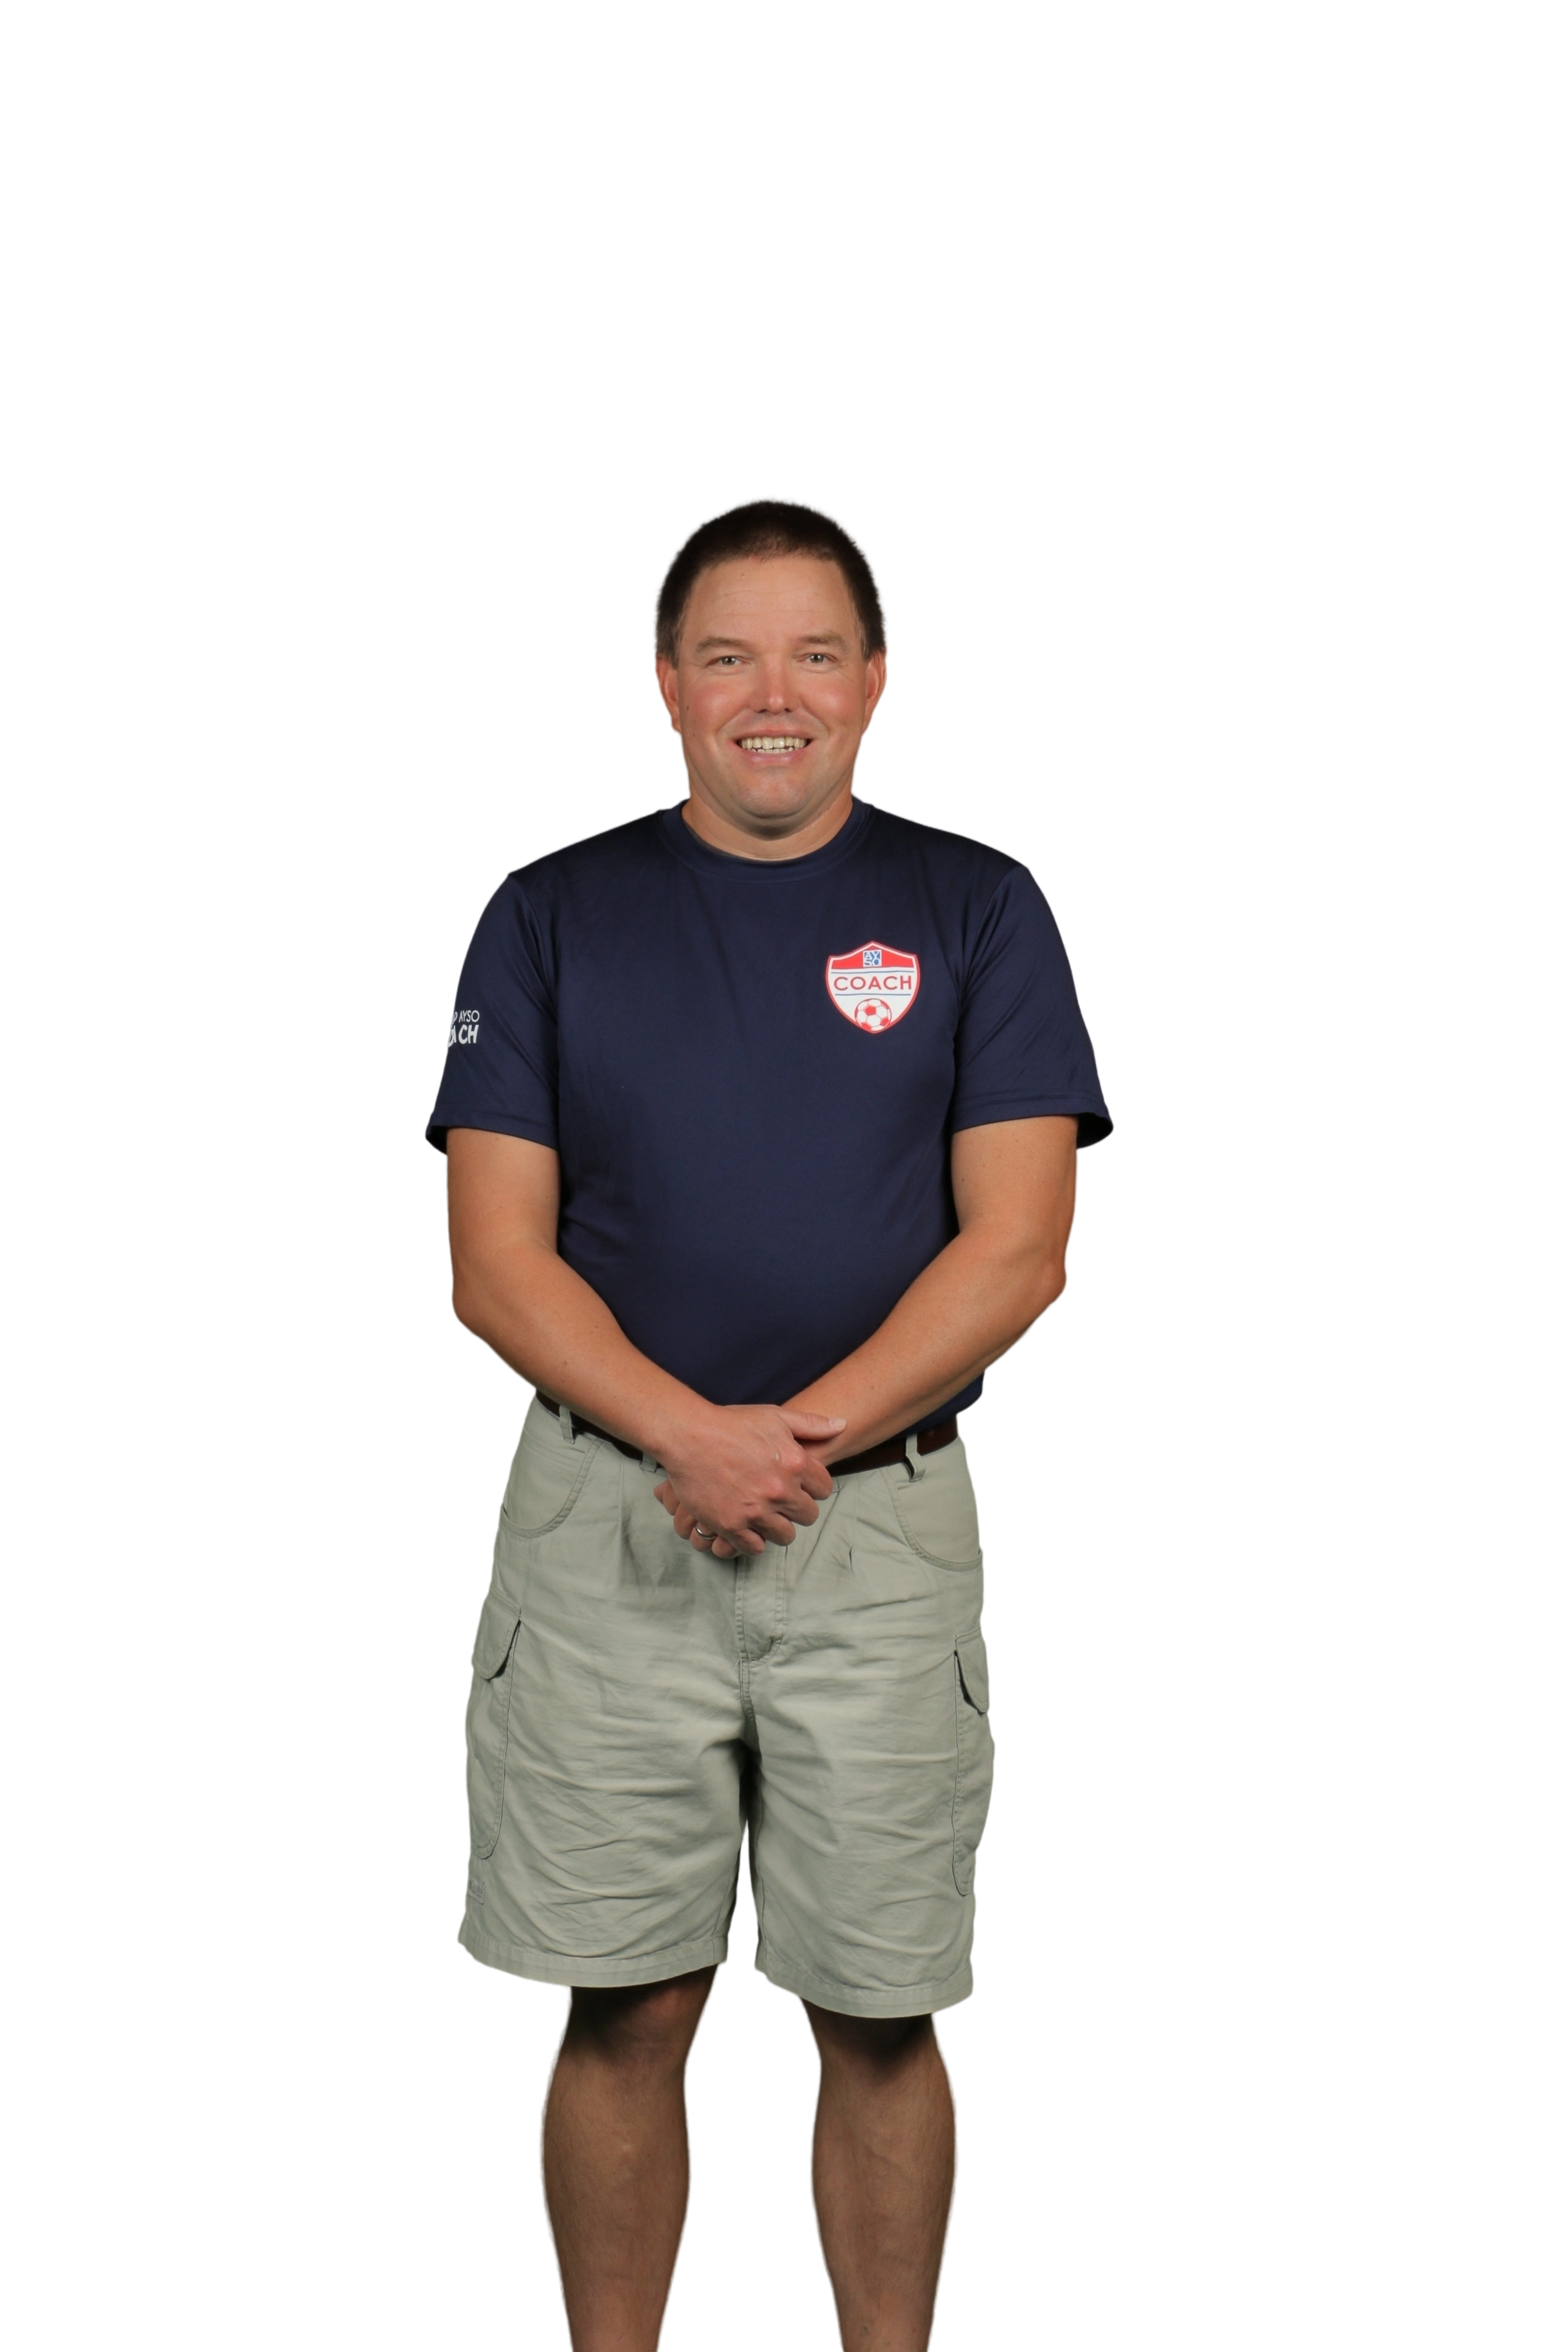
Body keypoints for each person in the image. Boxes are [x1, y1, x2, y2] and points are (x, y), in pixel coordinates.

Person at [424, 493, 1114, 2350]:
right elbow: (495, 1262)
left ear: (878, 681)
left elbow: (1021, 1244)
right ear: (668, 685)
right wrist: (687, 1435)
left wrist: (787, 1438)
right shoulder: (548, 913)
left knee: (881, 2008)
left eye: (816, 653)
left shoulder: (979, 904)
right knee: (626, 1999)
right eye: (729, 655)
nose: (774, 694)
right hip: (606, 1523)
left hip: (876, 1527)